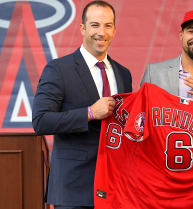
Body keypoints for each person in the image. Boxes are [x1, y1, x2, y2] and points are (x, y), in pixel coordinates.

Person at [32, 1, 132, 208]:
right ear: (82, 28)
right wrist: (89, 113)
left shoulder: (123, 73)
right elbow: (41, 121)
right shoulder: (58, 69)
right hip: (73, 188)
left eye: (107, 25)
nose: (101, 32)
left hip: (116, 186)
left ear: (114, 29)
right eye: (95, 25)